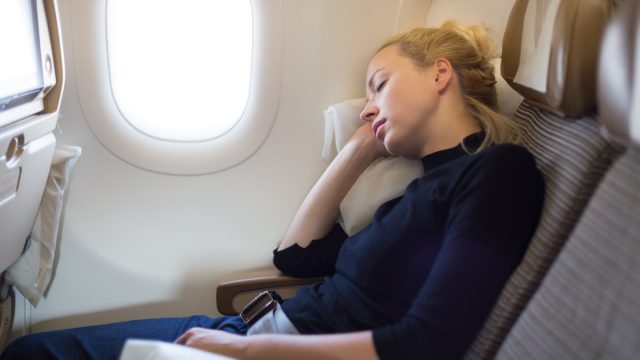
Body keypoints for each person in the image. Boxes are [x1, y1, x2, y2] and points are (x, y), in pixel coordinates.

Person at [1, 22, 544, 360]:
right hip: (256, 333)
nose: (369, 106)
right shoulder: (417, 193)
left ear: (439, 74)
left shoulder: (499, 173)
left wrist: (247, 349)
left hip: (271, 347)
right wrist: (359, 149)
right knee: (32, 352)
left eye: (379, 84)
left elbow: (427, 343)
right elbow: (295, 255)